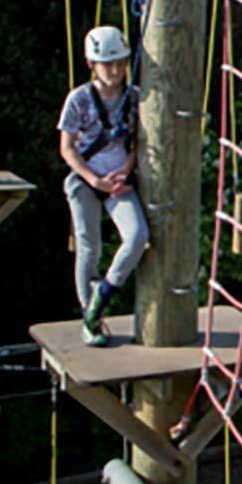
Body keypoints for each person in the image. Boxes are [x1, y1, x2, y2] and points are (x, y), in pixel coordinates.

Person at [59, 25, 148, 346]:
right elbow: (67, 147)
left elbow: (138, 142)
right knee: (88, 244)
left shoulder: (134, 98)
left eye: (120, 63)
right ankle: (89, 315)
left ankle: (103, 293)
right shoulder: (79, 99)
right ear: (91, 64)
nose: (115, 70)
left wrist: (125, 171)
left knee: (138, 236)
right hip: (87, 178)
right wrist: (94, 179)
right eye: (107, 63)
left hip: (119, 179)